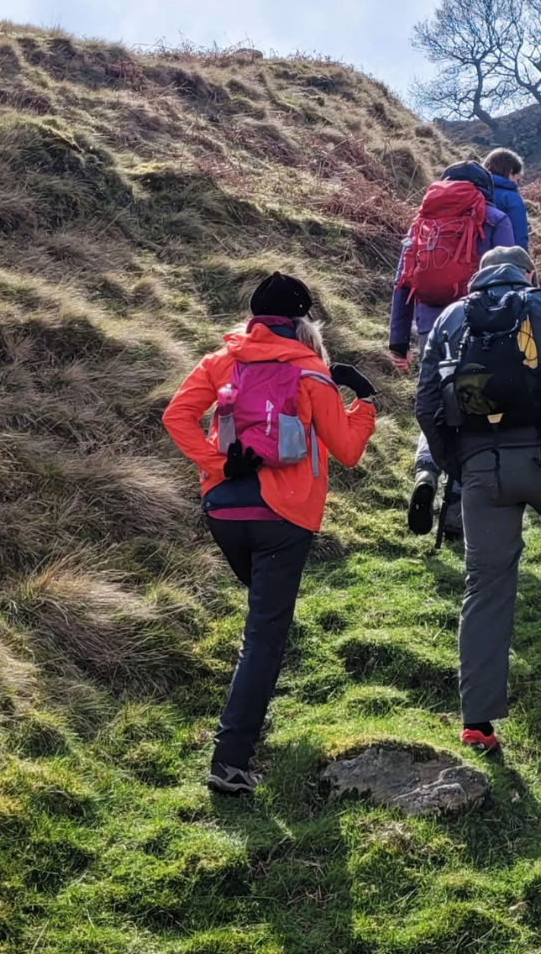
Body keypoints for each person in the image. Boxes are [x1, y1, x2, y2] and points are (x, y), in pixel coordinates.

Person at [163, 272, 376, 793]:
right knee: (263, 638)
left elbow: (177, 416)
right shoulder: (312, 375)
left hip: (223, 511)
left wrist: (218, 463)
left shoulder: (222, 360)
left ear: (255, 318)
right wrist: (364, 401)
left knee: (262, 625)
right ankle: (229, 762)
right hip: (284, 518)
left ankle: (248, 719)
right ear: (303, 322)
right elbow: (347, 451)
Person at [416, 245, 541, 754]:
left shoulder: (451, 319)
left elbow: (425, 402)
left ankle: (477, 723)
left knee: (485, 587)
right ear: (526, 275)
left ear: (478, 279)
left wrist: (455, 462)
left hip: (481, 465)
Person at [389, 161, 515, 538]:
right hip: (482, 328)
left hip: (431, 328)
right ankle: (458, 509)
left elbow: (402, 282)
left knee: (437, 404)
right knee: (475, 411)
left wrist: (399, 339)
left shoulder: (421, 222)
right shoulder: (494, 218)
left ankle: (427, 469)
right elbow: (510, 276)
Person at [484, 148, 529, 250]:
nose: (516, 184)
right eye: (517, 179)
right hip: (500, 261)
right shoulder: (512, 199)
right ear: (511, 172)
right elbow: (519, 238)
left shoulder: (475, 190)